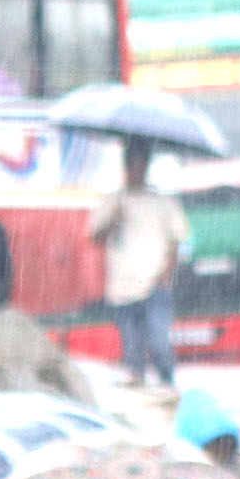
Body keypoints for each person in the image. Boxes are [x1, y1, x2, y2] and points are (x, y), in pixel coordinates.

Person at [90, 137, 189, 386]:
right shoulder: (114, 201)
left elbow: (177, 239)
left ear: (146, 165)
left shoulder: (162, 201)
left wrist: (166, 275)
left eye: (140, 163)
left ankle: (168, 387)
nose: (136, 169)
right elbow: (94, 237)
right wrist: (113, 219)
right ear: (126, 167)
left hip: (154, 286)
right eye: (131, 164)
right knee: (133, 356)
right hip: (122, 290)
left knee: (160, 346)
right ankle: (141, 395)